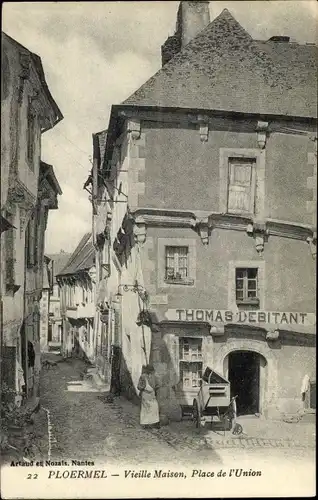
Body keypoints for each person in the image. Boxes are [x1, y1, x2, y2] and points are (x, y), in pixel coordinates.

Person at [137, 364, 160, 429]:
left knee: (154, 407)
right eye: (150, 371)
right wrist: (143, 388)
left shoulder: (154, 377)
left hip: (152, 394)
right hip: (145, 394)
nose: (151, 372)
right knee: (145, 409)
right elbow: (139, 386)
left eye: (152, 371)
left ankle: (154, 423)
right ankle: (145, 423)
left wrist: (154, 389)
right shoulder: (143, 376)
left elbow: (158, 385)